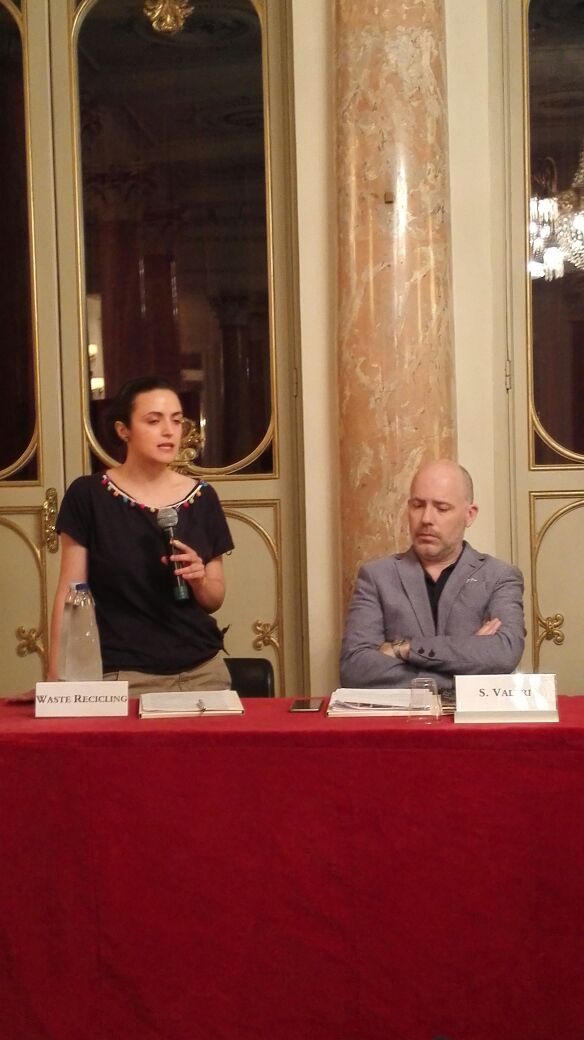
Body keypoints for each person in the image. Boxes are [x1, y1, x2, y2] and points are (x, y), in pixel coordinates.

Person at [48, 375, 234, 695]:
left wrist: (200, 580)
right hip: (124, 674)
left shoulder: (204, 497)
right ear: (124, 430)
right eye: (154, 420)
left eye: (176, 420)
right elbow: (70, 593)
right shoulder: (88, 495)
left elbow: (214, 599)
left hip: (203, 670)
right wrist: (55, 679)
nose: (169, 431)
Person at [340, 459, 525, 690]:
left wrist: (403, 648)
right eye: (418, 505)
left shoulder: (499, 576)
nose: (426, 518)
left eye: (441, 508)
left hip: (473, 715)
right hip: (402, 714)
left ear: (469, 515)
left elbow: (504, 653)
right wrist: (463, 671)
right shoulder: (377, 577)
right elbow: (355, 669)